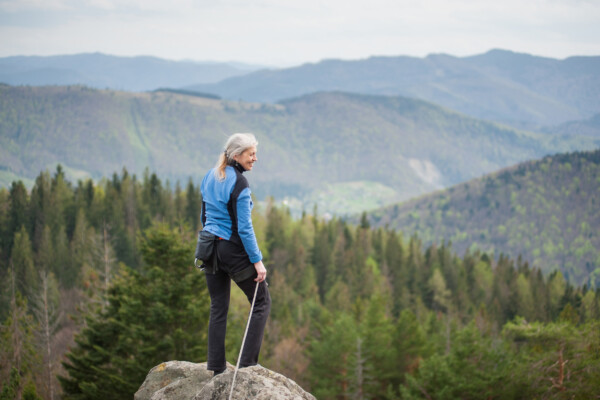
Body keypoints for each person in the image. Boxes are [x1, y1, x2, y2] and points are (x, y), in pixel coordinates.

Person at [200, 133, 271, 376]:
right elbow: (244, 228)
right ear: (237, 155)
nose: (255, 158)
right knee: (261, 301)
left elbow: (205, 217)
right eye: (251, 154)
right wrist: (257, 261)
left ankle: (216, 367)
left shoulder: (209, 176)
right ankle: (247, 364)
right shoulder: (240, 184)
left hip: (208, 247)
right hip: (231, 249)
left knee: (218, 306)